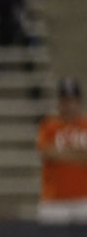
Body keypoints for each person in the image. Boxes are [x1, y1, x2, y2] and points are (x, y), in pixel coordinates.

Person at [36, 78, 87, 222]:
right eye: (65, 101)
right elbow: (45, 153)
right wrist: (79, 154)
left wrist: (60, 153)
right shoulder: (49, 125)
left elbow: (53, 153)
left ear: (79, 101)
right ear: (59, 102)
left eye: (72, 100)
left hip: (84, 199)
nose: (69, 105)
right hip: (54, 201)